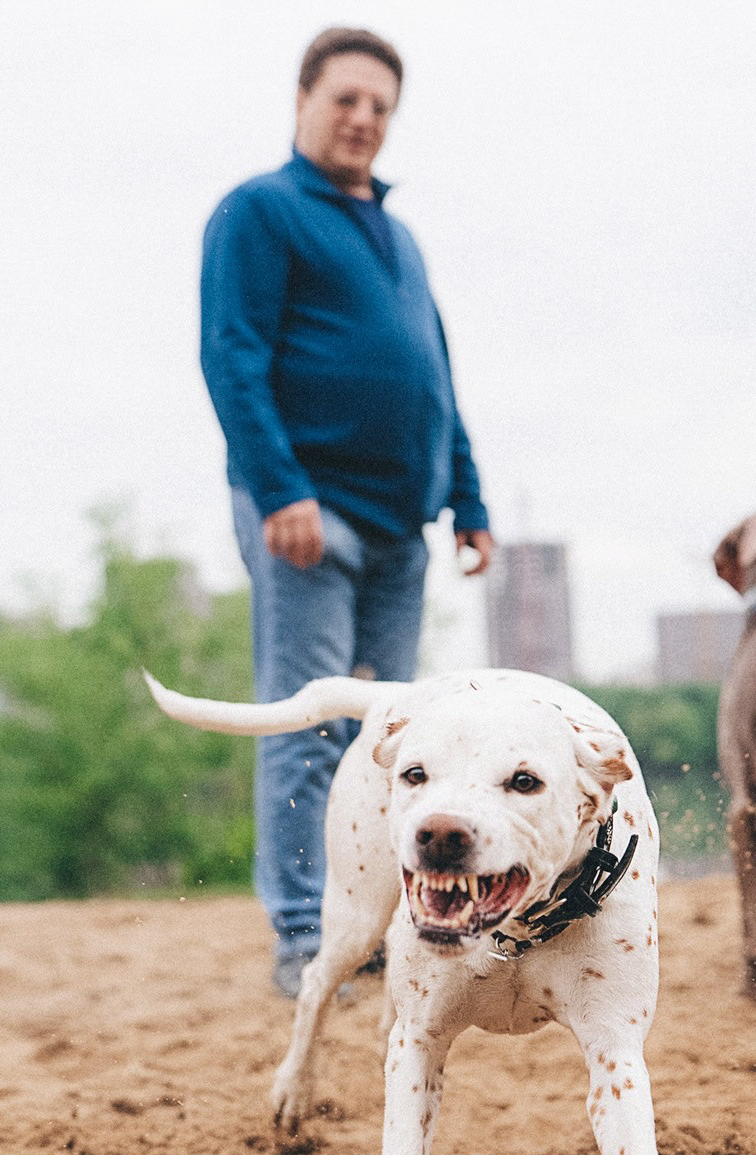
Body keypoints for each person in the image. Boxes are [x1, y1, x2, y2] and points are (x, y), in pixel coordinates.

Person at [199, 27, 494, 998]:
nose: (362, 118)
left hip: (399, 525)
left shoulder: (397, 237)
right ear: (302, 100)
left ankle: (375, 927)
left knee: (393, 746)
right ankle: (297, 933)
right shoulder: (260, 211)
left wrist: (468, 498)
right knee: (309, 723)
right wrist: (279, 487)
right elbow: (231, 354)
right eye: (345, 100)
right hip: (306, 514)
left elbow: (434, 376)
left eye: (379, 106)